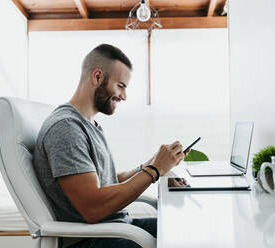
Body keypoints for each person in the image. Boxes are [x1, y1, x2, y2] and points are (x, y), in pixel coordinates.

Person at [33, 44, 187, 248]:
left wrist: (154, 165)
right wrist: (154, 170)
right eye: (121, 86)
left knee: (185, 229)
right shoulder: (66, 128)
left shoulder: (89, 125)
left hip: (114, 227)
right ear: (97, 77)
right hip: (91, 239)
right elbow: (93, 207)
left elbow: (108, 183)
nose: (124, 96)